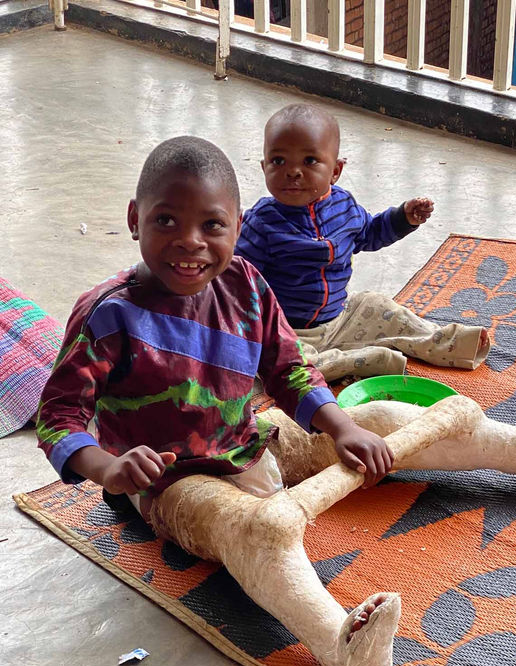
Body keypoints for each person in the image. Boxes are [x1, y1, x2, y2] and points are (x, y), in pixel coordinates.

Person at [36, 136, 394, 525]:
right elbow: (58, 416)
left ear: (237, 227)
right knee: (265, 530)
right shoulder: (109, 314)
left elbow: (288, 369)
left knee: (384, 430)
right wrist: (108, 469)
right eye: (166, 220)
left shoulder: (247, 286)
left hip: (241, 450)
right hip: (163, 482)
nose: (190, 241)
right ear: (135, 220)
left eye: (212, 225)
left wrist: (343, 429)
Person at [235, 103, 490, 381]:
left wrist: (402, 218)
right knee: (284, 364)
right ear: (264, 167)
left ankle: (450, 341)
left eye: (309, 161)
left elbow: (370, 233)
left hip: (342, 319)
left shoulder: (344, 205)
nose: (293, 171)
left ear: (335, 171)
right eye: (278, 161)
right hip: (288, 331)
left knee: (378, 305)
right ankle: (367, 361)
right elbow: (238, 278)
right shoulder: (262, 222)